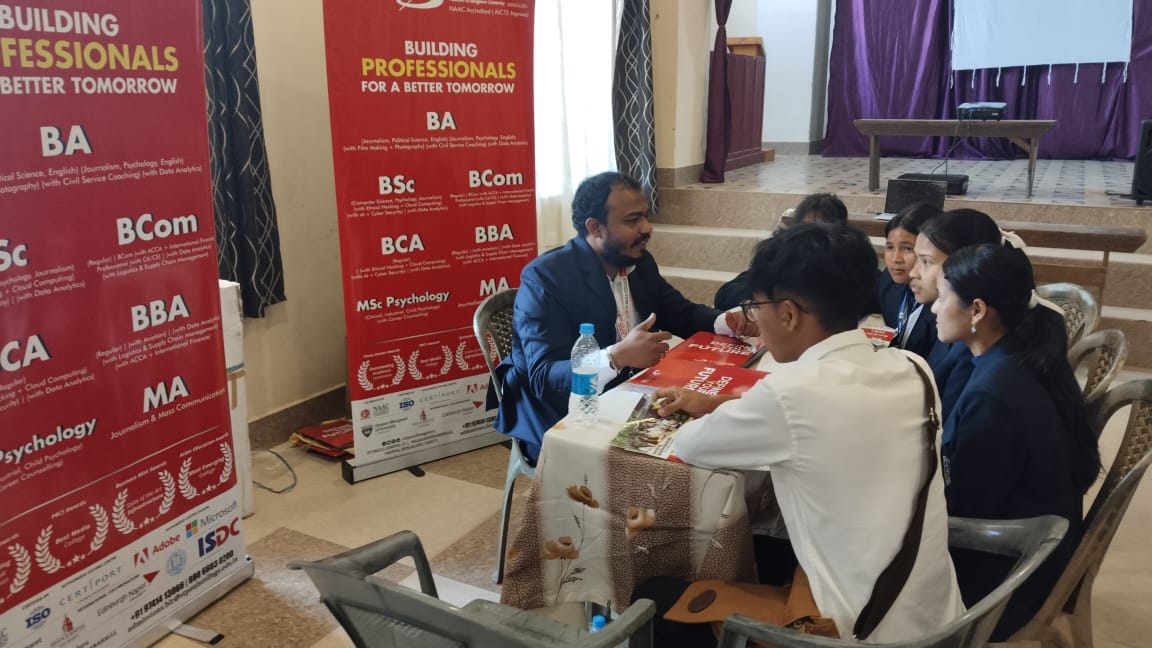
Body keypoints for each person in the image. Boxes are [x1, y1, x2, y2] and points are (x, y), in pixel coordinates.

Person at [632, 223, 964, 646]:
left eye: (756, 307)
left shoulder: (790, 394)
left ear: (787, 314)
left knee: (656, 595)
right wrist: (719, 403)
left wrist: (718, 408)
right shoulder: (913, 368)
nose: (756, 318)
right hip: (937, 618)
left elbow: (691, 444)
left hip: (855, 632)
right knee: (771, 545)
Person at [491, 171, 756, 462]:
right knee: (686, 456)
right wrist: (616, 357)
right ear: (595, 227)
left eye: (645, 216)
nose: (646, 228)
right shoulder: (546, 277)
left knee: (715, 433)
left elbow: (679, 312)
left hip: (630, 391)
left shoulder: (638, 261)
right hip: (563, 411)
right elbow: (544, 377)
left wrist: (724, 321)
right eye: (632, 220)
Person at [932, 243, 1100, 640]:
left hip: (1009, 578)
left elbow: (966, 510)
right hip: (1032, 550)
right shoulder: (1019, 356)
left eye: (941, 298)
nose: (934, 309)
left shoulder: (994, 393)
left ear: (977, 310)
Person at [908, 209, 1004, 417]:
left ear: (962, 264)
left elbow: (945, 423)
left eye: (926, 262)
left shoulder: (972, 347)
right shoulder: (954, 323)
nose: (913, 273)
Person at [713, 192, 848, 310]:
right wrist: (768, 295)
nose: (808, 237)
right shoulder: (780, 255)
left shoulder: (844, 265)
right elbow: (725, 296)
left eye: (817, 231)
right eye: (802, 228)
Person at [877, 203, 942, 358]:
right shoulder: (889, 281)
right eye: (890, 247)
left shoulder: (941, 304)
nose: (895, 259)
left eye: (907, 248)